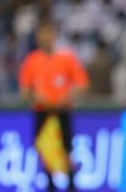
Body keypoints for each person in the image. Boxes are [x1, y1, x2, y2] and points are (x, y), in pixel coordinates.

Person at [19, 21, 89, 192]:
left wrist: (68, 97)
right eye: (42, 35)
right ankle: (50, 185)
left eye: (49, 34)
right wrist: (36, 96)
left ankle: (71, 185)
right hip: (42, 113)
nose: (46, 39)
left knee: (66, 150)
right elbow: (24, 90)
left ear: (54, 36)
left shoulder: (66, 58)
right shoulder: (32, 60)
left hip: (62, 112)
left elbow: (82, 84)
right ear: (37, 38)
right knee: (46, 151)